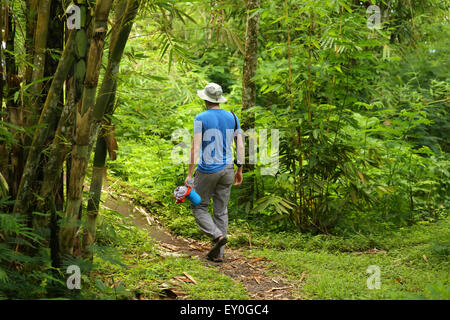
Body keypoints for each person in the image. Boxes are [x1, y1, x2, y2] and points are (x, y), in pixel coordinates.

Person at [185, 83, 244, 262]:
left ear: (205, 99)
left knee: (199, 206)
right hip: (227, 169)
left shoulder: (200, 117)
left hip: (207, 170)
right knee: (221, 210)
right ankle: (219, 254)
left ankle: (217, 236)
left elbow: (195, 146)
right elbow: (240, 145)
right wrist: (239, 168)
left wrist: (189, 174)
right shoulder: (233, 117)